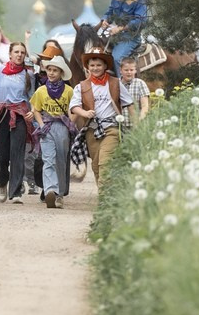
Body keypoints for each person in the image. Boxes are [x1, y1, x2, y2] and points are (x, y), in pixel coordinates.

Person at [0, 41, 34, 204]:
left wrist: (32, 112)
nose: (19, 55)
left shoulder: (28, 75)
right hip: (2, 114)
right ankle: (2, 183)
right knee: (2, 155)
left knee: (17, 153)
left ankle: (16, 192)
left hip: (20, 115)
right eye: (16, 52)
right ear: (10, 54)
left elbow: (33, 97)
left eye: (22, 52)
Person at [69, 49, 132, 186]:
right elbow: (74, 106)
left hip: (111, 128)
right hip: (92, 130)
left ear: (105, 66)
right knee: (97, 166)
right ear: (88, 67)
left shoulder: (115, 83)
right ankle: (105, 195)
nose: (95, 68)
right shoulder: (82, 86)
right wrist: (84, 113)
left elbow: (130, 103)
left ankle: (104, 199)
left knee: (105, 162)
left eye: (98, 65)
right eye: (92, 65)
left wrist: (136, 123)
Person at [30, 55, 75, 209]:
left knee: (61, 160)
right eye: (49, 69)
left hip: (62, 127)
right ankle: (50, 190)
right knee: (48, 159)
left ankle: (60, 194)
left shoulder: (69, 91)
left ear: (61, 73)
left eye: (55, 70)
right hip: (47, 127)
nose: (51, 73)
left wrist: (71, 124)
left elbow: (72, 110)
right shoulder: (41, 91)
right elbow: (36, 110)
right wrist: (41, 125)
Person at [99, 0, 149, 75]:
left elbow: (141, 21)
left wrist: (120, 28)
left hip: (131, 37)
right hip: (114, 36)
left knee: (118, 58)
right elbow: (109, 12)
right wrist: (105, 20)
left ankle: (123, 85)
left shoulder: (139, 0)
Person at [118, 56, 151, 129]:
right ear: (121, 70)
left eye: (131, 70)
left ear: (135, 70)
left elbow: (145, 106)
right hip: (119, 125)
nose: (129, 72)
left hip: (136, 124)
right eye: (126, 70)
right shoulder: (116, 84)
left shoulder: (140, 83)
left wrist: (139, 121)